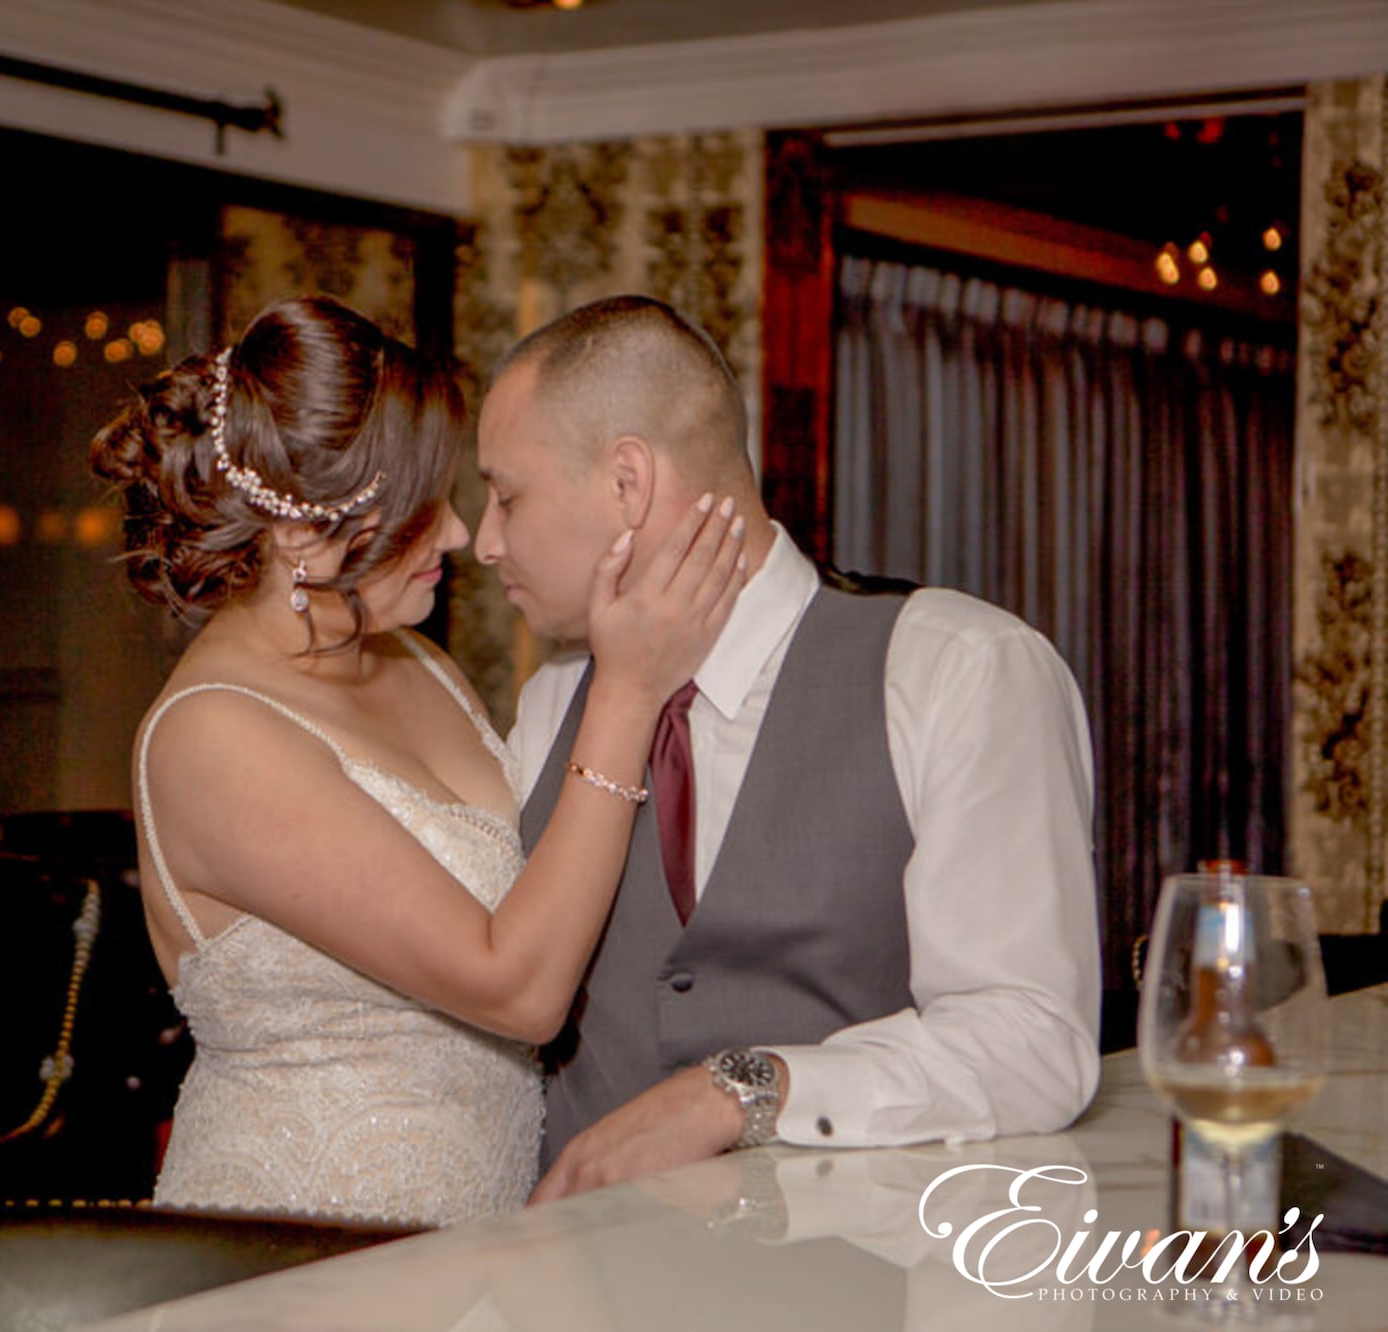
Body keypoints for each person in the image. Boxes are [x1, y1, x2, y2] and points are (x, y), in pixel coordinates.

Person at [91, 297, 747, 1227]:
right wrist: (627, 693)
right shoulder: (213, 736)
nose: (455, 536)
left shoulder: (414, 660)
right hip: (300, 1257)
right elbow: (517, 991)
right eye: (416, 509)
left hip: (479, 1248)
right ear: (297, 536)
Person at [469, 295, 1102, 1202]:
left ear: (627, 483)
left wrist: (736, 1093)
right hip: (581, 1311)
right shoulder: (551, 703)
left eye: (507, 494)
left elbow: (1033, 1040)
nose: (487, 542)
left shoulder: (958, 670)